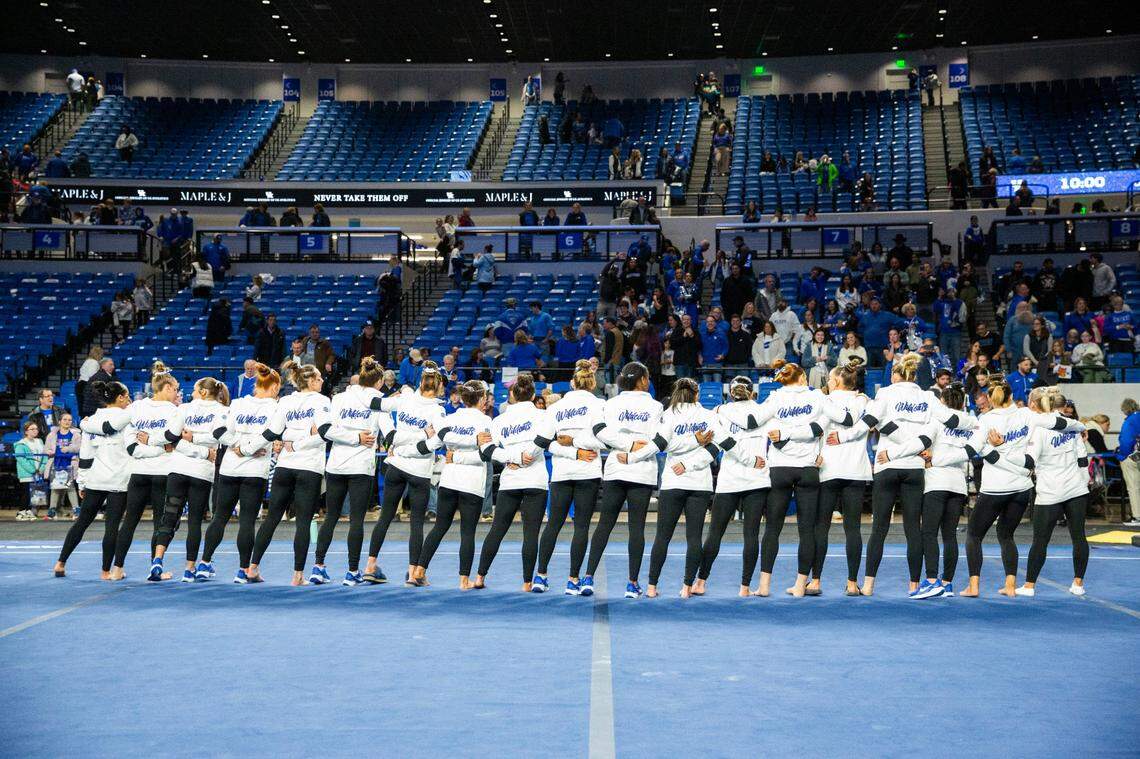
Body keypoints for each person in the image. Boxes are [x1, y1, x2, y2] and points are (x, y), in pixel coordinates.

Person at [845, 353, 977, 596]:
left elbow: (870, 422)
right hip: (915, 467)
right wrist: (976, 424)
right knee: (912, 529)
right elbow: (950, 418)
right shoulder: (928, 396)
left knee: (879, 529)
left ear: (896, 375)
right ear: (914, 375)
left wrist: (845, 436)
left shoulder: (886, 393)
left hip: (887, 463)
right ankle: (914, 585)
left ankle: (869, 584)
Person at [960, 381, 1085, 597]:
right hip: (1023, 488)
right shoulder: (1027, 415)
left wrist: (940, 458)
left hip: (998, 487)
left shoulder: (988, 419)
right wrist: (1081, 426)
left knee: (974, 534)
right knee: (1006, 535)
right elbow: (1063, 428)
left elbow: (975, 449)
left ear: (991, 399)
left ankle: (974, 585)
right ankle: (1011, 585)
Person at [82, 370, 180, 581]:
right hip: (162, 472)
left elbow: (119, 436)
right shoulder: (174, 411)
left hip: (138, 473)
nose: (177, 394)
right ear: (168, 387)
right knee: (159, 523)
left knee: (129, 522)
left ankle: (117, 569)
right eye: (176, 389)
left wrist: (84, 424)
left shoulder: (137, 406)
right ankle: (156, 569)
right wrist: (161, 449)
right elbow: (172, 442)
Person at [581, 362, 663, 598]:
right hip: (641, 469)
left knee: (604, 523)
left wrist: (624, 446)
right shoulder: (656, 406)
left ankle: (587, 577)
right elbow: (659, 439)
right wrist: (635, 448)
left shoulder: (611, 403)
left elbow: (598, 430)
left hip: (616, 467)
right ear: (644, 380)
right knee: (636, 527)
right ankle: (632, 583)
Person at [246, 362, 331, 586]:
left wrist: (246, 447)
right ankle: (297, 576)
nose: (322, 381)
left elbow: (272, 432)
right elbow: (324, 433)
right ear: (311, 381)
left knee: (272, 517)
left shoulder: (285, 400)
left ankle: (252, 568)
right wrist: (303, 439)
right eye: (319, 378)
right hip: (308, 467)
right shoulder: (322, 401)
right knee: (303, 521)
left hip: (285, 466)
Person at [308, 358, 391, 586]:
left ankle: (318, 566)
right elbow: (389, 433)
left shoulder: (340, 398)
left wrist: (349, 436)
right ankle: (352, 571)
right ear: (379, 381)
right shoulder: (378, 400)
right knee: (356, 520)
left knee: (331, 517)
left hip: (336, 464)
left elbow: (328, 431)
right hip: (360, 467)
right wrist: (358, 438)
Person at [362, 363, 447, 585]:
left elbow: (375, 404)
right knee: (416, 522)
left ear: (421, 382)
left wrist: (394, 437)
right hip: (418, 469)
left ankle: (370, 566)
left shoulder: (406, 398)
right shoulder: (437, 409)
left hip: (397, 464)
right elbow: (441, 438)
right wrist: (419, 444)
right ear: (438, 387)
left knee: (385, 517)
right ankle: (413, 573)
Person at [471, 373, 553, 592]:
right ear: (533, 394)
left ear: (512, 396)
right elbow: (544, 440)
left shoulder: (500, 420)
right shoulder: (543, 415)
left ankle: (479, 577)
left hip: (511, 480)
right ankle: (527, 582)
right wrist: (525, 456)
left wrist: (511, 457)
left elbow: (487, 450)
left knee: (497, 530)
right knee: (531, 533)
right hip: (535, 479)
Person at [414, 379, 493, 589]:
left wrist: (408, 448)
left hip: (449, 480)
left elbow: (434, 443)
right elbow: (484, 455)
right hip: (471, 482)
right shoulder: (485, 422)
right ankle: (463, 580)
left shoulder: (450, 418)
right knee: (467, 532)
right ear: (481, 399)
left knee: (440, 526)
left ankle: (419, 570)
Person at [642, 378, 717, 599]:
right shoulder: (708, 415)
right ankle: (686, 587)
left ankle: (651, 587)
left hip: (673, 481)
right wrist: (694, 442)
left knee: (662, 536)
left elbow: (661, 445)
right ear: (696, 394)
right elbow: (714, 449)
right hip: (698, 482)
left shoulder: (669, 414)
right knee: (694, 537)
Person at [150, 378, 229, 583]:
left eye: (194, 390)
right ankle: (189, 568)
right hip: (201, 472)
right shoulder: (222, 410)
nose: (191, 393)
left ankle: (157, 560)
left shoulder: (184, 409)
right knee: (194, 521)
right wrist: (202, 447)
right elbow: (216, 437)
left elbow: (171, 436)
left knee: (169, 516)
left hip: (178, 468)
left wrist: (188, 437)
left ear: (203, 391)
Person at [53, 381, 132, 579]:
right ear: (120, 397)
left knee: (82, 522)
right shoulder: (128, 419)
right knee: (112, 526)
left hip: (95, 479)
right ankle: (105, 571)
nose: (130, 400)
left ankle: (60, 562)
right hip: (119, 480)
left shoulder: (91, 421)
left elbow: (85, 455)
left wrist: (82, 481)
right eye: (128, 396)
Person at [13, 421, 46, 521]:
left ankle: (28, 511)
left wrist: (41, 469)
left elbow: (44, 456)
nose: (35, 431)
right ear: (26, 431)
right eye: (32, 429)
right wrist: (33, 470)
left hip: (38, 473)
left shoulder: (39, 441)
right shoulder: (21, 444)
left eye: (36, 429)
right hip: (27, 473)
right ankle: (21, 512)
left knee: (33, 494)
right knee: (26, 493)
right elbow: (21, 460)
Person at [1119, 398, 1140, 526]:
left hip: (1133, 457)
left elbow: (1126, 441)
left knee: (1134, 487)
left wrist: (1122, 455)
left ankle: (1137, 517)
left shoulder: (1130, 421)